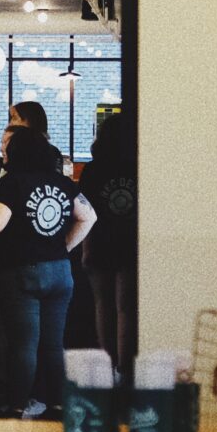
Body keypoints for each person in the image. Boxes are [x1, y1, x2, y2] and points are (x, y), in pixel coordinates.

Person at [0, 110, 96, 418]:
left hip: (21, 273)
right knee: (54, 344)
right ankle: (57, 404)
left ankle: (17, 406)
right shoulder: (62, 182)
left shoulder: (11, 184)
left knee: (23, 344)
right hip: (60, 272)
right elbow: (89, 217)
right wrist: (62, 246)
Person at [78, 113, 137, 372]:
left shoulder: (93, 170)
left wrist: (86, 248)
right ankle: (124, 368)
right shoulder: (138, 167)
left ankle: (108, 367)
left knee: (102, 305)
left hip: (100, 240)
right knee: (125, 309)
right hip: (130, 243)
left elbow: (85, 211)